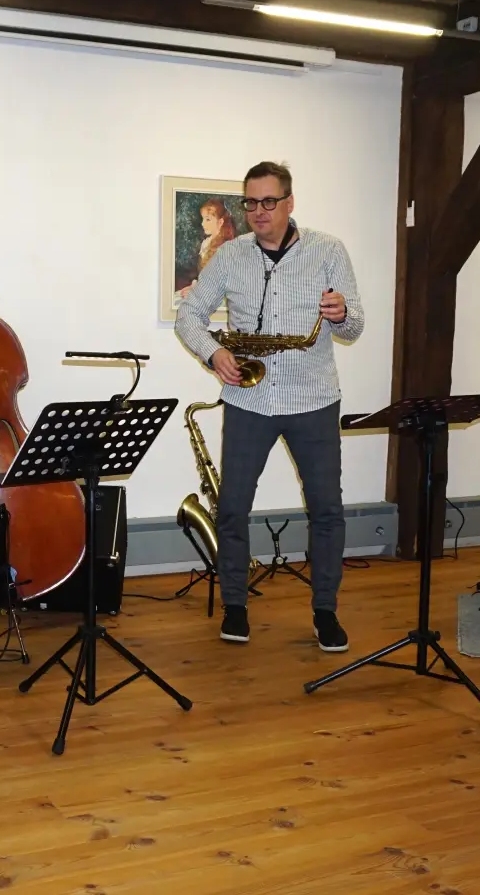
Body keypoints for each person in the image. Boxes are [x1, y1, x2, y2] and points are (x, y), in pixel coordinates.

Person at [174, 161, 365, 651]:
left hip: (313, 397)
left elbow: (354, 326)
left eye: (268, 202)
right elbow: (190, 315)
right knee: (233, 508)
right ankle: (235, 607)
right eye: (251, 203)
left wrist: (342, 314)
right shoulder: (231, 256)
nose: (259, 212)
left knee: (326, 509)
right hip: (248, 397)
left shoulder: (328, 250)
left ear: (290, 202)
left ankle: (326, 612)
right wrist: (214, 353)